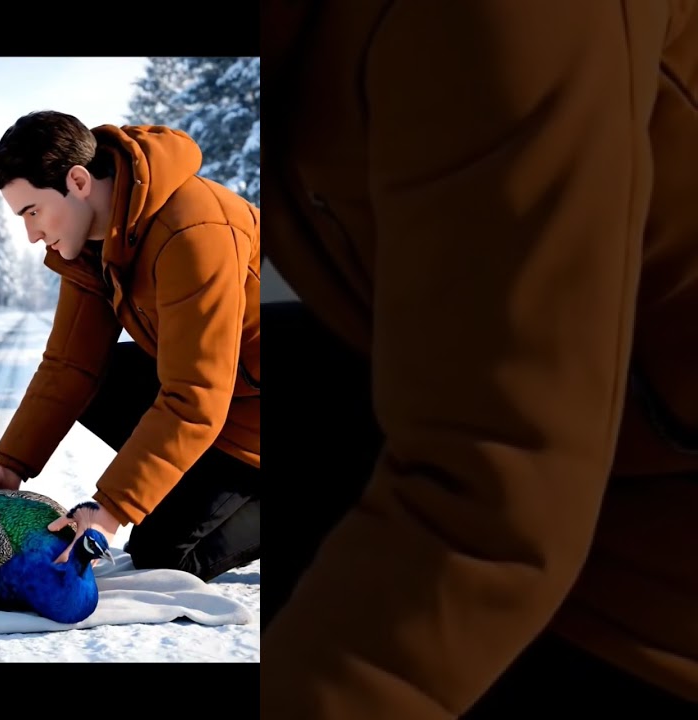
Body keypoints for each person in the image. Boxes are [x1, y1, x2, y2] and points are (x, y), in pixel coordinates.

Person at [260, 1, 698, 718]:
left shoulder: (505, 18)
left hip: (655, 584)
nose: (30, 237)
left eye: (31, 214)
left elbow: (491, 500)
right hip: (558, 445)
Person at [0, 110, 261, 583]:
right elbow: (69, 365)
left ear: (78, 181)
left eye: (32, 211)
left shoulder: (194, 230)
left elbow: (195, 394)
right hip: (222, 401)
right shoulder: (92, 241)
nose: (32, 234)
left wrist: (111, 509)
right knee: (99, 378)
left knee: (163, 554)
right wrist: (10, 466)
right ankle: (200, 480)